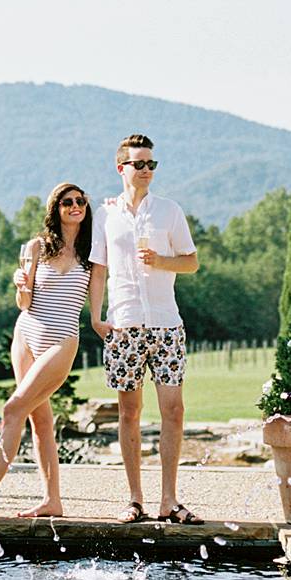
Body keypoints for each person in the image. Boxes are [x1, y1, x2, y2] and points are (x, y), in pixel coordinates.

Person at [89, 134, 201, 524]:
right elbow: (98, 270)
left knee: (173, 410)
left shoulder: (170, 211)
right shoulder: (104, 215)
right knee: (129, 413)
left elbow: (191, 262)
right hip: (122, 325)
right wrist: (95, 316)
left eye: (152, 164)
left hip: (167, 325)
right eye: (140, 164)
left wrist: (161, 260)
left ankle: (168, 500)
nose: (147, 171)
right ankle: (135, 500)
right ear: (121, 168)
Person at [0, 183, 92, 520]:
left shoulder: (94, 253)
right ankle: (53, 501)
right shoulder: (37, 247)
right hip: (26, 334)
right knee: (40, 420)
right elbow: (24, 303)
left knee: (12, 409)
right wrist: (21, 285)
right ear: (56, 208)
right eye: (68, 202)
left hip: (62, 340)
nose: (75, 206)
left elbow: (98, 301)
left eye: (80, 201)